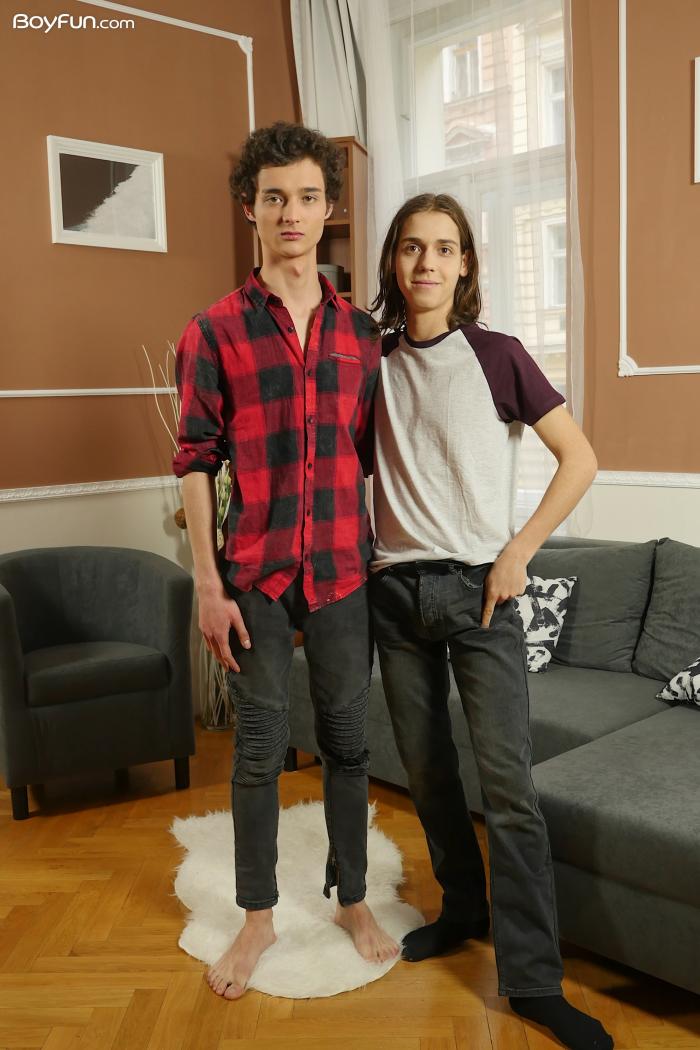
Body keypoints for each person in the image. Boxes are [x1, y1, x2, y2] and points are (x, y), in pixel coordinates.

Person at [368, 193, 612, 1050]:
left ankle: (535, 982)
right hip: (393, 596)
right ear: (394, 262)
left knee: (509, 792)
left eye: (444, 248)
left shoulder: (498, 355)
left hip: (482, 597)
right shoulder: (372, 363)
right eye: (412, 247)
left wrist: (519, 553)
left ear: (465, 263)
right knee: (428, 774)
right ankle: (463, 908)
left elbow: (580, 458)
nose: (427, 263)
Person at [173, 122, 398, 1001]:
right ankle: (258, 916)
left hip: (343, 571)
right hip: (254, 577)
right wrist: (207, 584)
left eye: (307, 196)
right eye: (274, 197)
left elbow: (377, 459)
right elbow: (195, 461)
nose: (291, 213)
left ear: (328, 206)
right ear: (251, 209)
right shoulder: (213, 331)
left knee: (347, 742)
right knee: (260, 749)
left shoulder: (362, 335)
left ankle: (352, 898)